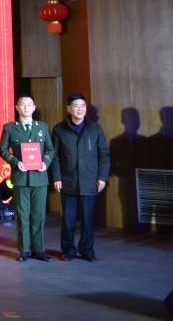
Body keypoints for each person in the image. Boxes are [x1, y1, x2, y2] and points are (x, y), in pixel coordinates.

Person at [51, 93, 110, 262]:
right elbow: (54, 156)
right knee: (68, 220)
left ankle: (87, 250)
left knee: (87, 220)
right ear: (68, 109)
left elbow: (104, 155)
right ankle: (68, 250)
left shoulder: (95, 129)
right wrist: (56, 177)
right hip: (68, 181)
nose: (80, 109)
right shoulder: (59, 129)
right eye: (76, 106)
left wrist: (102, 177)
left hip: (90, 181)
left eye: (83, 106)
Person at [0, 93, 55, 262]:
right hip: (20, 177)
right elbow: (3, 150)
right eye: (22, 104)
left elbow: (50, 150)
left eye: (29, 104)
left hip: (40, 178)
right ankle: (24, 250)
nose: (25, 107)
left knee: (39, 216)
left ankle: (39, 250)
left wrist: (45, 163)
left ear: (34, 107)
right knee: (22, 216)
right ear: (17, 107)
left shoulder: (42, 127)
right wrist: (15, 162)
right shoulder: (10, 128)